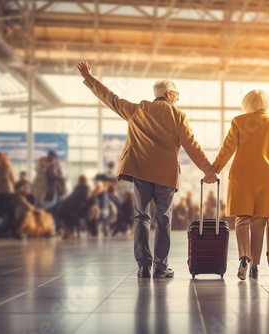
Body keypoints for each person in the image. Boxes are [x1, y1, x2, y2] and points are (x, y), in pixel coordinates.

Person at [77, 60, 216, 278]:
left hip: (140, 171)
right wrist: (208, 170)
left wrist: (89, 78)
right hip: (165, 175)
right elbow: (192, 145)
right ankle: (161, 267)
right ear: (170, 94)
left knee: (141, 217)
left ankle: (143, 266)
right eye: (177, 95)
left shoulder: (137, 110)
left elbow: (110, 98)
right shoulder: (178, 116)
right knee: (163, 218)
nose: (177, 99)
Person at [206, 89, 269, 280]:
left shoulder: (239, 121)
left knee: (242, 220)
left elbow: (228, 148)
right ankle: (255, 266)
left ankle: (244, 257)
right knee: (259, 224)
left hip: (241, 177)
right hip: (266, 178)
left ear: (247, 103)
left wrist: (214, 169)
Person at [0, 152, 16, 238]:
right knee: (11, 213)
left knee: (1, 212)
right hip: (8, 191)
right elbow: (12, 179)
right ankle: (6, 231)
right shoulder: (8, 166)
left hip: (0, 192)